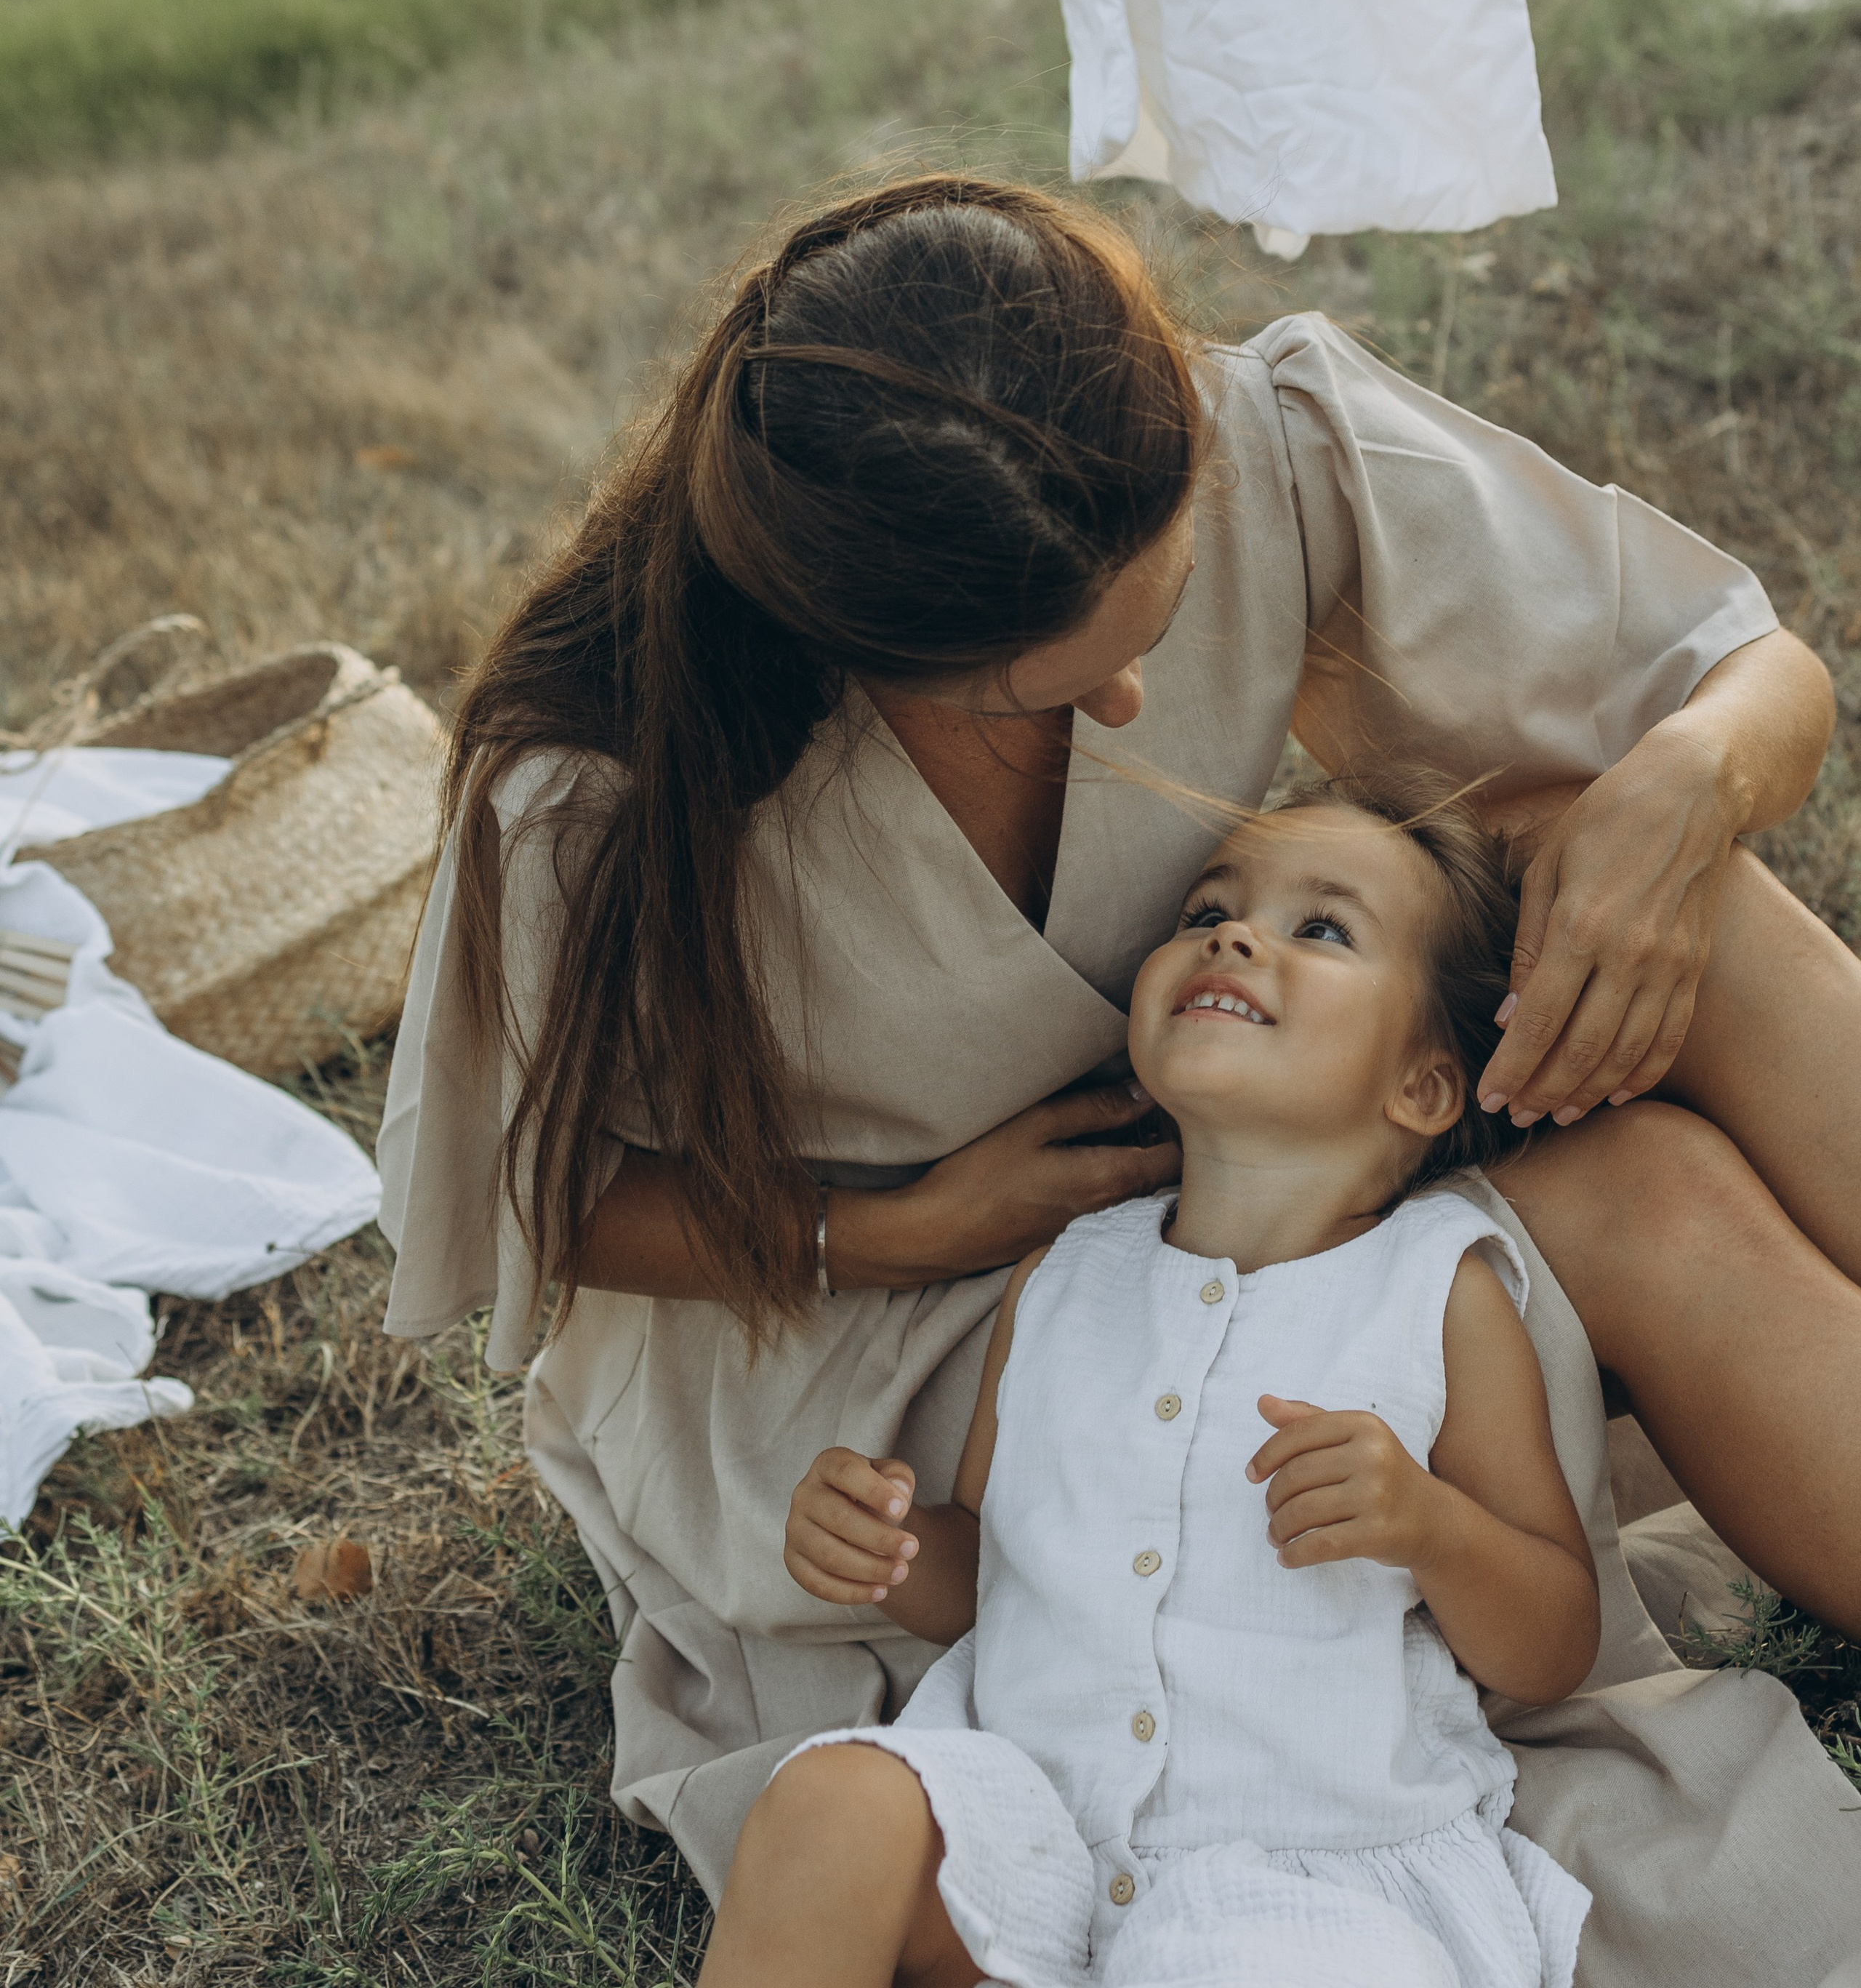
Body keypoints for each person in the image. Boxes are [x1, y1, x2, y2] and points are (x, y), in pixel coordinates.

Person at [376, 173, 1861, 1979]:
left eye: (1156, 625)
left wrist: (1684, 787)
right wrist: (897, 1229)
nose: (1133, 712)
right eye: (1040, 690)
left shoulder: (1254, 435)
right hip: (888, 1328)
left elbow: (1742, 667)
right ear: (853, 649)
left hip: (1265, 1167)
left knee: (1621, 887)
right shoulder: (595, 784)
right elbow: (522, 1212)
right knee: (1633, 1202)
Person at [707, 776, 1600, 1988]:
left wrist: (1429, 1525)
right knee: (832, 1803)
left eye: (1320, 927)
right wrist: (894, 1548)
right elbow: (997, 1577)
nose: (1234, 939)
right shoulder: (1066, 1279)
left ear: (1424, 1088)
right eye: (1207, 912)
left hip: (1300, 1880)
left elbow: (1554, 1641)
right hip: (1029, 1837)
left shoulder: (1435, 1292)